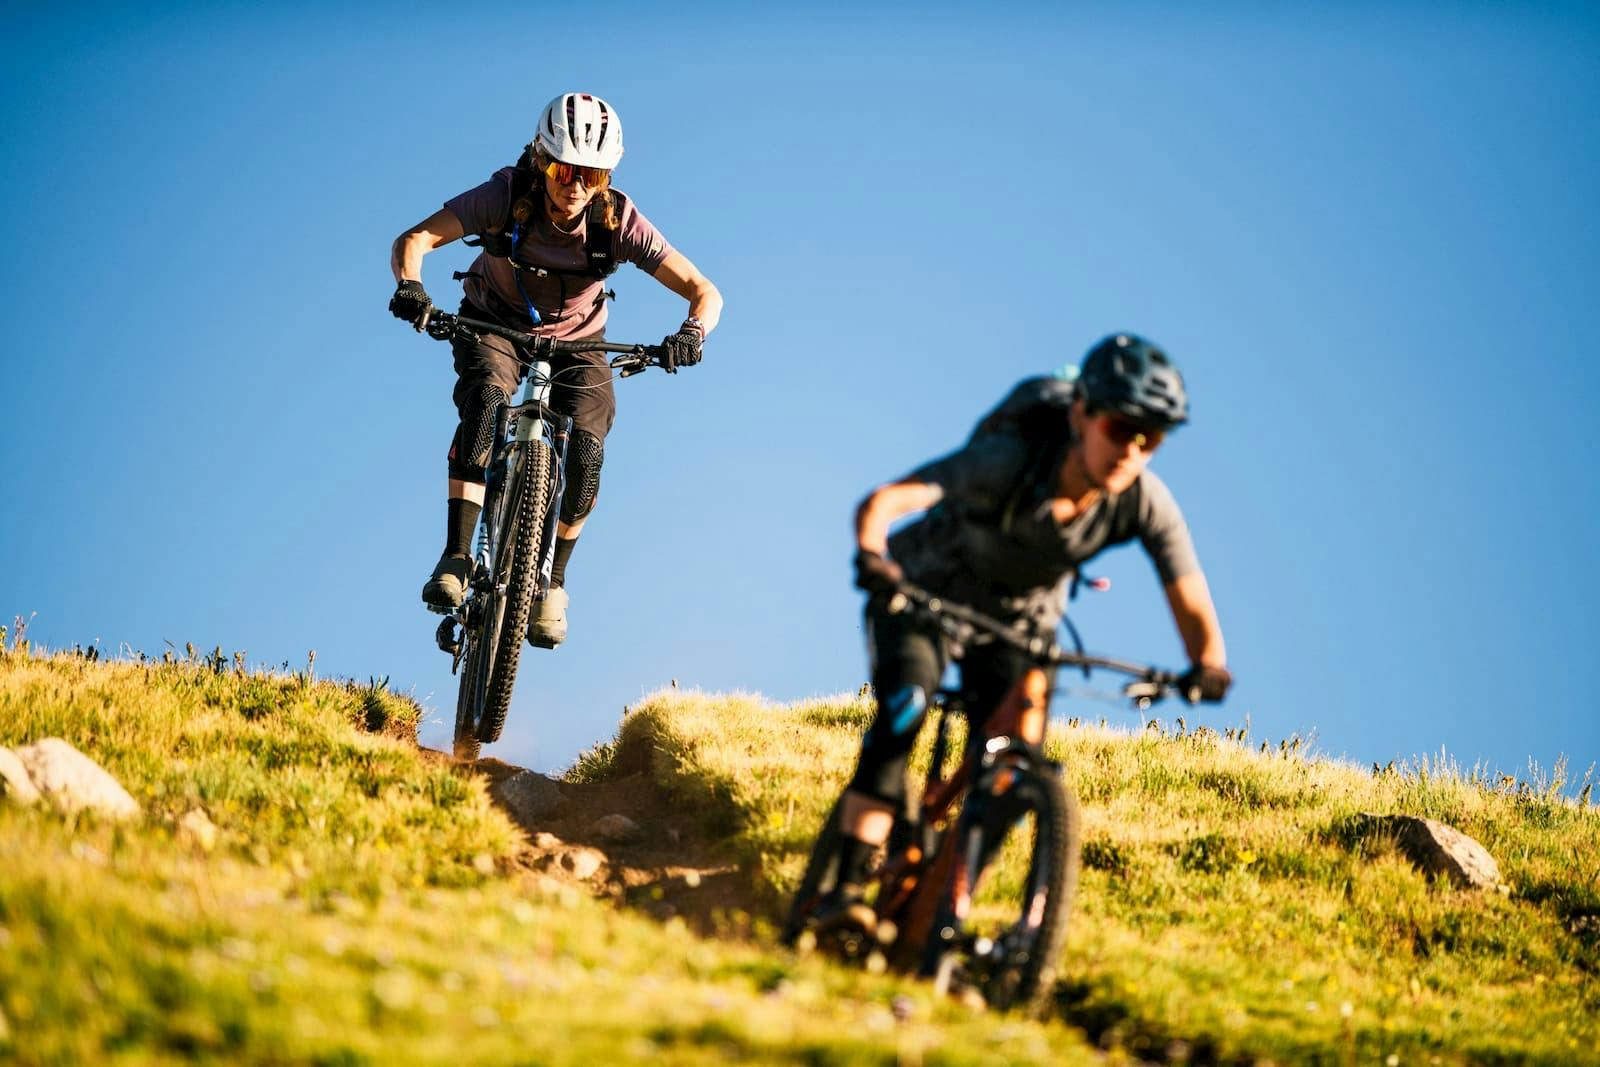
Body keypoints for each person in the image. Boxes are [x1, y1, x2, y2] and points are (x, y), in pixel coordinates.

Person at [817, 333, 1232, 933]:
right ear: (1082, 413)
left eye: (1152, 439)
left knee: (1017, 762)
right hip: (925, 589)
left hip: (1017, 624)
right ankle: (844, 889)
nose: (1132, 451)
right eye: (1120, 428)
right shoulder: (1009, 460)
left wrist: (1209, 664)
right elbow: (890, 499)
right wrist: (871, 554)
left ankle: (940, 922)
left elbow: (1189, 596)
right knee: (906, 706)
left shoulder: (1143, 501)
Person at [388, 92, 723, 646]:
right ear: (543, 160)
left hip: (580, 343)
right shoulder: (505, 194)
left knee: (588, 454)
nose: (574, 185)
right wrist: (410, 287)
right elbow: (415, 240)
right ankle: (456, 557)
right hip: (493, 322)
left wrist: (691, 334)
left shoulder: (618, 221)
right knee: (487, 405)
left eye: (589, 174)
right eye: (564, 169)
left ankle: (554, 583)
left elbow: (704, 291)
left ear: (605, 176)